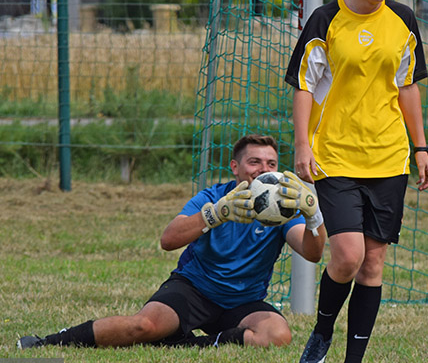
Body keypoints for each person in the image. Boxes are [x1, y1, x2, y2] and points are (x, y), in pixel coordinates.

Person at [285, 0, 428, 363]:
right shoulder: (325, 20)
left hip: (388, 158)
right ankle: (322, 332)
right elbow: (303, 86)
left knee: (373, 262)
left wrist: (421, 148)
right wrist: (302, 145)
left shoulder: (403, 20)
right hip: (335, 156)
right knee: (347, 256)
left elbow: (407, 86)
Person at [17, 134, 326, 350]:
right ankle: (50, 342)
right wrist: (217, 214)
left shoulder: (280, 209)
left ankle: (185, 345)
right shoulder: (212, 197)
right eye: (254, 162)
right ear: (235, 167)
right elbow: (168, 240)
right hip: (195, 289)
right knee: (142, 327)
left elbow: (312, 253)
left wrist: (313, 216)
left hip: (243, 301)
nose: (263, 170)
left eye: (271, 164)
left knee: (277, 335)